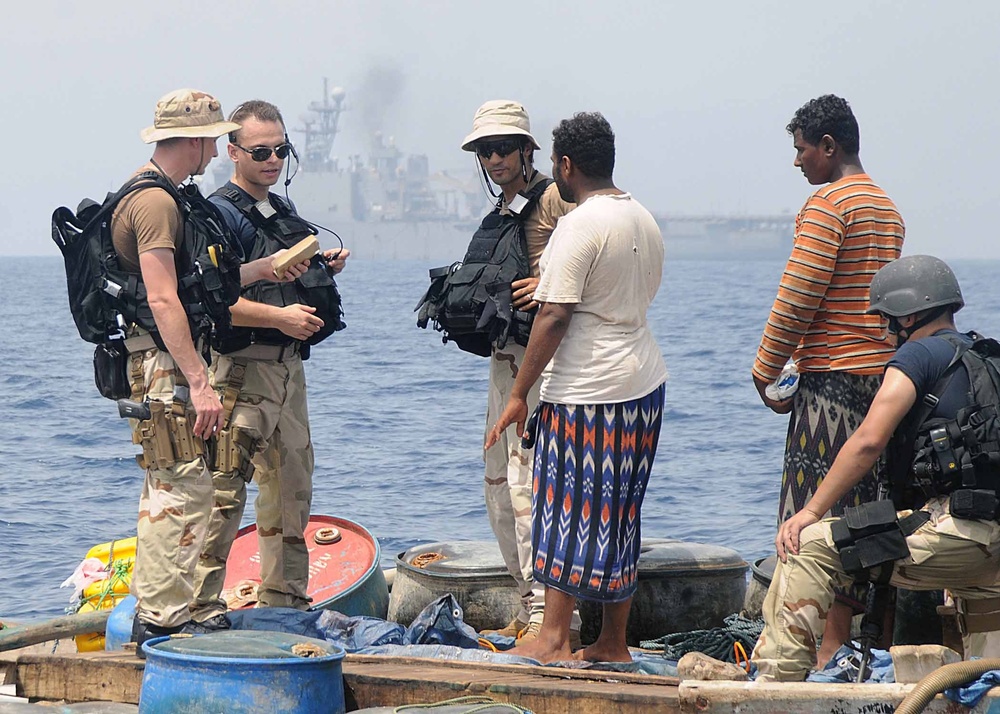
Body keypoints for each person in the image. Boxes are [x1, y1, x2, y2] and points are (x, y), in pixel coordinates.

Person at [116, 89, 306, 648]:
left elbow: (202, 287)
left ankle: (169, 610)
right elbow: (163, 299)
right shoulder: (155, 202)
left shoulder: (166, 196)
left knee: (179, 486)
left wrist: (266, 268)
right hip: (161, 361)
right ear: (198, 141)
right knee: (181, 488)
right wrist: (199, 381)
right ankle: (163, 616)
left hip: (164, 357)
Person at [752, 255, 1000, 681]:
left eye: (889, 321)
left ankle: (775, 686)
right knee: (985, 671)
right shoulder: (988, 358)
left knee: (809, 546)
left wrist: (809, 512)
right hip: (989, 553)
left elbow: (868, 442)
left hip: (957, 536)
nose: (887, 333)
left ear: (911, 314)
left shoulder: (918, 357)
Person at [486, 112, 667, 664]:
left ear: (565, 165)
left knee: (563, 508)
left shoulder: (579, 225)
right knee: (619, 512)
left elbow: (555, 315)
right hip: (644, 384)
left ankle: (554, 640)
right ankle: (612, 643)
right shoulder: (643, 218)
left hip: (588, 391)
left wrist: (519, 393)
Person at [751, 94, 905, 663]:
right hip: (881, 383)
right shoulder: (887, 208)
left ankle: (819, 647)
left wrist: (764, 370)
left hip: (831, 387)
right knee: (861, 513)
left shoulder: (828, 205)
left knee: (809, 515)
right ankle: (857, 644)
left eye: (801, 151)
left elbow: (798, 297)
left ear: (829, 147)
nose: (797, 163)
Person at [190, 99, 349, 619]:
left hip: (287, 370)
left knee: (291, 491)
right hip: (241, 370)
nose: (273, 160)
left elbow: (279, 275)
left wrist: (321, 269)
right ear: (232, 152)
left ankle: (285, 600)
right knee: (223, 492)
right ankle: (200, 606)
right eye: (260, 151)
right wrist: (279, 318)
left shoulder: (280, 211)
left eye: (281, 149)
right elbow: (213, 299)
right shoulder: (217, 215)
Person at [457, 100, 580, 646]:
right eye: (485, 150)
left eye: (504, 147)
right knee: (497, 484)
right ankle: (526, 599)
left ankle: (552, 619)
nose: (494, 158)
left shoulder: (555, 198)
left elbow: (589, 256)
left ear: (528, 150)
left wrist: (548, 281)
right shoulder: (504, 209)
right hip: (505, 360)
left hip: (544, 362)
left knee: (530, 483)